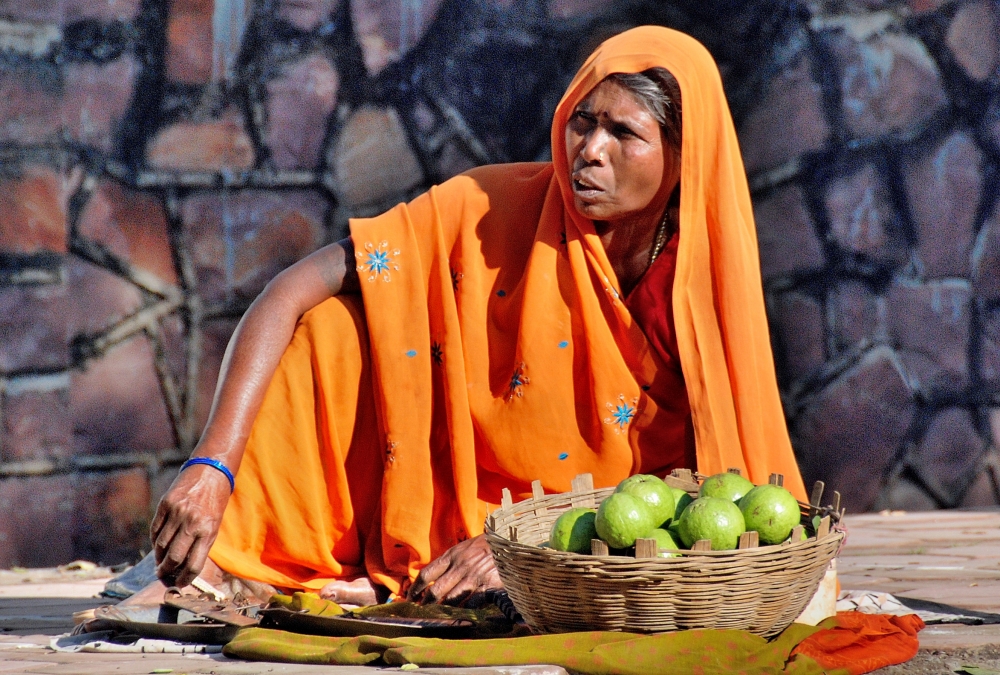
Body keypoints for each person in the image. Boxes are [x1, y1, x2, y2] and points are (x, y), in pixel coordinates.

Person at [147, 25, 807, 608]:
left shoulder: (700, 287)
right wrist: (212, 464)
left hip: (595, 535)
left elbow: (711, 485)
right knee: (331, 329)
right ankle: (258, 559)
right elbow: (290, 290)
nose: (590, 150)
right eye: (583, 121)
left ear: (683, 157)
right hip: (442, 510)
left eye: (624, 133)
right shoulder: (488, 212)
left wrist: (531, 541)